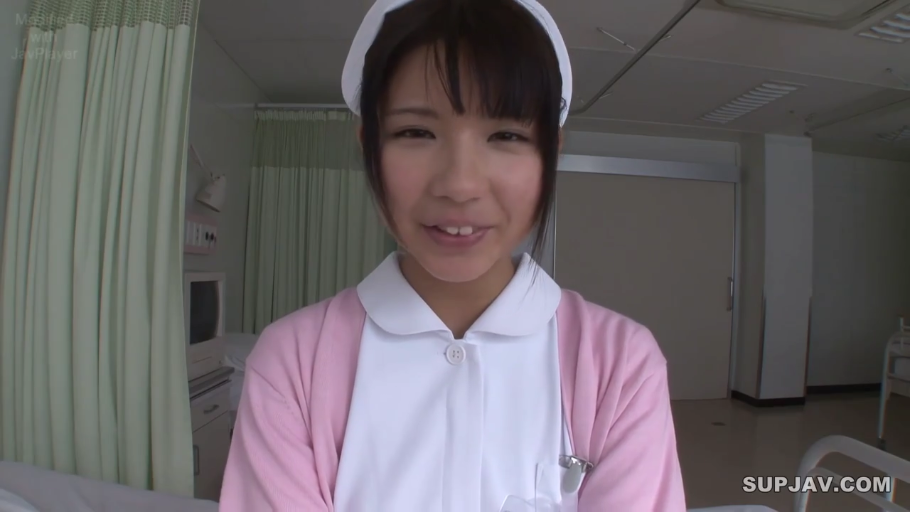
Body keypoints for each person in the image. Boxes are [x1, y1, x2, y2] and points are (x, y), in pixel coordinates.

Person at [219, 0, 686, 510]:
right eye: (416, 133)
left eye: (506, 135)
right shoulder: (291, 363)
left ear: (551, 152)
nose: (460, 185)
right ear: (369, 147)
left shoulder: (619, 364)